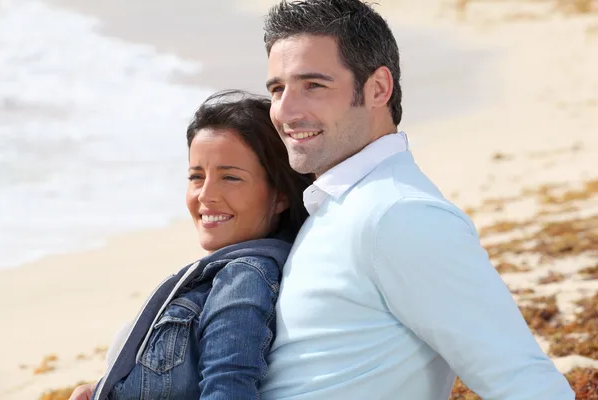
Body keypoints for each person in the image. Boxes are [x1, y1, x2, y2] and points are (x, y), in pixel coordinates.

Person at [259, 0, 575, 399]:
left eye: (313, 85)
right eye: (277, 89)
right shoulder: (341, 206)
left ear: (377, 89)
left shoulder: (400, 215)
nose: (285, 110)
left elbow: (522, 382)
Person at [69, 90, 313, 400]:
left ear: (279, 195)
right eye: (196, 176)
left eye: (230, 178)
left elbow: (228, 390)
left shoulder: (242, 279)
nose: (205, 195)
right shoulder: (223, 273)